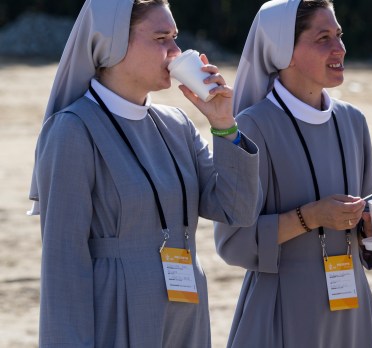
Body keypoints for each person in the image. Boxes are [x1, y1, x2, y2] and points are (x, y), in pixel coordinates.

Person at [27, 0, 261, 346]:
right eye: (161, 38)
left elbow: (236, 210)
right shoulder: (73, 131)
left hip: (186, 314)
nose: (176, 51)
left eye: (175, 37)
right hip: (116, 313)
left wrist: (224, 126)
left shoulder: (177, 125)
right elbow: (64, 265)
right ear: (113, 43)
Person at [213, 0, 372, 347]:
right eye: (323, 38)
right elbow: (233, 243)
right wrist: (312, 217)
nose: (340, 48)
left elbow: (369, 216)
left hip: (351, 310)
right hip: (283, 308)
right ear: (283, 51)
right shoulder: (252, 126)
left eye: (339, 35)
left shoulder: (353, 121)